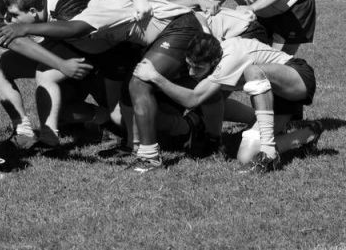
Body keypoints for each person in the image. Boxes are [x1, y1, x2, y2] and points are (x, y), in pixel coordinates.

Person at [0, 0, 203, 173]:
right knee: (123, 110)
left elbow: (74, 29)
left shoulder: (95, 13)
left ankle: (151, 156)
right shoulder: (81, 0)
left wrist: (25, 29)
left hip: (178, 29)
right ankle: (168, 132)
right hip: (147, 40)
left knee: (140, 83)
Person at [133, 33, 320, 173]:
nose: (191, 72)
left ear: (214, 61)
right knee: (245, 156)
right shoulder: (215, 52)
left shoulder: (228, 60)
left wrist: (156, 77)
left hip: (297, 77)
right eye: (189, 65)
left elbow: (192, 99)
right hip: (275, 96)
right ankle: (308, 132)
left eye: (197, 68)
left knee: (252, 71)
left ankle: (268, 152)